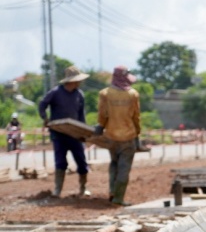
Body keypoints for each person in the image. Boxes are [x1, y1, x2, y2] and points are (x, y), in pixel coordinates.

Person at [38, 65, 91, 197]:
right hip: (59, 133)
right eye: (78, 80)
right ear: (71, 81)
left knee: (81, 161)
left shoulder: (79, 95)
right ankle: (58, 189)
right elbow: (42, 104)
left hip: (74, 134)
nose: (79, 83)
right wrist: (45, 118)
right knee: (60, 161)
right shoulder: (55, 92)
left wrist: (83, 133)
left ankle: (83, 188)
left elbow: (81, 115)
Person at [95, 65, 141, 207]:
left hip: (111, 136)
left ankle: (112, 191)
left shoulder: (105, 93)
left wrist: (101, 127)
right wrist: (137, 132)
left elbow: (102, 115)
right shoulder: (133, 94)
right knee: (124, 168)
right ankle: (118, 198)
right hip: (128, 137)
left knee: (114, 164)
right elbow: (136, 117)